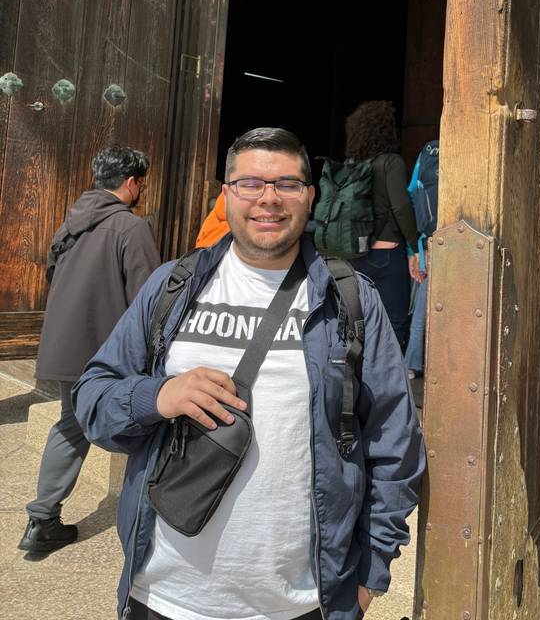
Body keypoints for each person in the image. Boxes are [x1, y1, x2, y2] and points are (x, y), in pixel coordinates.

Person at [73, 127, 425, 620]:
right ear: (227, 194)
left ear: (310, 197)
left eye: (286, 184)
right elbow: (92, 399)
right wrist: (157, 395)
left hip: (299, 602)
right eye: (251, 184)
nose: (269, 199)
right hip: (163, 595)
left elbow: (395, 441)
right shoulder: (173, 285)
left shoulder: (351, 299)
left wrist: (369, 578)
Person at [20, 145, 161, 554]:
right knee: (142, 421)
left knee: (72, 423)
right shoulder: (130, 227)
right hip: (106, 352)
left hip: (65, 347)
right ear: (132, 183)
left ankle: (43, 518)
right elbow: (150, 295)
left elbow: (50, 270)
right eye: (142, 183)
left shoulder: (72, 222)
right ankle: (148, 518)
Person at [343, 102, 422, 350]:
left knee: (358, 324)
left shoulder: (350, 165)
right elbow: (400, 207)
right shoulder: (391, 162)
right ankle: (388, 384)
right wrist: (415, 246)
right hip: (387, 254)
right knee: (394, 323)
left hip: (354, 255)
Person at [404, 140, 439, 379]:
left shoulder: (428, 150)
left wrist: (413, 249)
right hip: (456, 236)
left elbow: (412, 192)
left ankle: (412, 363)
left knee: (422, 308)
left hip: (429, 240)